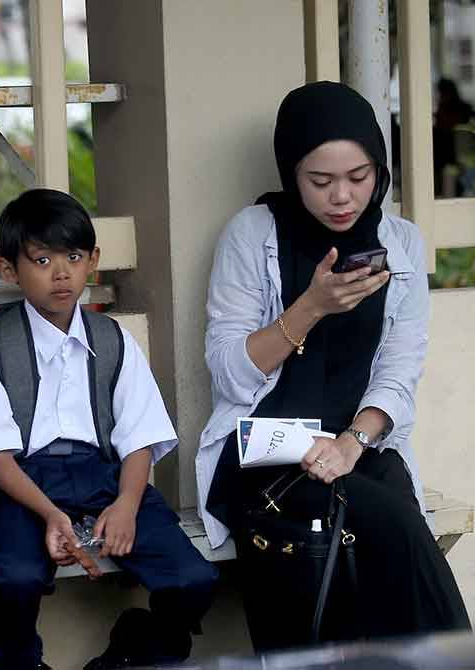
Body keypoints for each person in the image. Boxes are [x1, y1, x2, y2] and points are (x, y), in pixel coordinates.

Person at [199, 81, 471, 651]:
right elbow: (228, 371)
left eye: (359, 177)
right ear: (291, 172)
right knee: (390, 526)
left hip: (359, 449)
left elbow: (400, 367)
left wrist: (352, 441)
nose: (342, 197)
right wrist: (311, 307)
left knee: (390, 519)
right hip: (264, 451)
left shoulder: (401, 243)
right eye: (320, 182)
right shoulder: (252, 236)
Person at [0, 189, 218, 670]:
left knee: (192, 579)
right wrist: (52, 515)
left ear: (92, 260)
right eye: (42, 259)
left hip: (104, 478)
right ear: (10, 269)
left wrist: (127, 505)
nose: (61, 273)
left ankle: (138, 650)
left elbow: (139, 439)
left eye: (73, 257)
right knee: (13, 578)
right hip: (23, 486)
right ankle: (20, 660)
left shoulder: (113, 340)